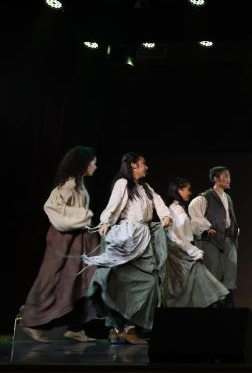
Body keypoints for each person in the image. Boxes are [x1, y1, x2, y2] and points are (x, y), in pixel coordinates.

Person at [84, 152, 172, 345]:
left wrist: (165, 215)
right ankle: (121, 328)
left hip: (144, 238)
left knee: (149, 283)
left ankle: (126, 327)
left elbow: (158, 202)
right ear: (133, 165)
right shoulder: (123, 183)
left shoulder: (146, 188)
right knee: (122, 282)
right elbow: (113, 205)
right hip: (128, 236)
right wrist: (106, 221)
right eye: (143, 163)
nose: (146, 167)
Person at [19, 146, 100, 342]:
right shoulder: (68, 185)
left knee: (83, 280)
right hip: (64, 240)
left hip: (79, 239)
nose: (95, 167)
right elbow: (52, 208)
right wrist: (85, 216)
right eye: (93, 163)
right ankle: (32, 321)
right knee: (53, 279)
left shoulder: (78, 184)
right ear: (84, 163)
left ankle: (75, 327)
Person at [162, 178, 229, 309]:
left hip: (180, 249)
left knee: (189, 283)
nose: (190, 192)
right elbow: (177, 236)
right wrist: (192, 250)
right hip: (178, 251)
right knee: (194, 277)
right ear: (179, 190)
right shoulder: (176, 209)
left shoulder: (177, 208)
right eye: (188, 189)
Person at [189, 166, 238, 306]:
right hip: (211, 241)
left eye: (229, 176)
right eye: (225, 176)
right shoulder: (205, 197)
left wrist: (234, 233)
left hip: (227, 239)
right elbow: (193, 211)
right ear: (216, 178)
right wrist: (206, 227)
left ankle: (226, 303)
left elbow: (229, 218)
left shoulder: (228, 198)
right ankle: (213, 304)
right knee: (213, 274)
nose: (229, 179)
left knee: (229, 274)